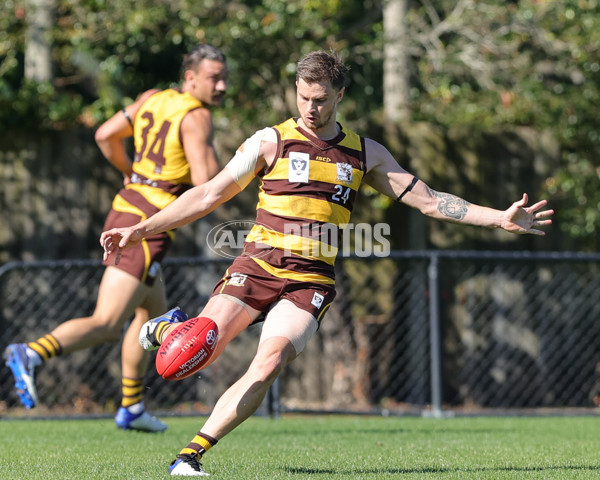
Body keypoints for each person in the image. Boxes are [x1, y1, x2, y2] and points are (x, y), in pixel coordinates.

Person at [100, 50, 553, 474]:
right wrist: (141, 229)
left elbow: (431, 202)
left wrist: (500, 218)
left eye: (320, 99)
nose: (310, 108)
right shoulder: (270, 141)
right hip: (257, 266)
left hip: (310, 280)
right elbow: (208, 193)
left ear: (339, 95)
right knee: (203, 351)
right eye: (302, 97)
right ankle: (167, 327)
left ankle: (189, 458)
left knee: (269, 361)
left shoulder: (364, 153)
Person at [3, 43, 227, 432]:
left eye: (224, 77)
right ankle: (31, 353)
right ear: (190, 77)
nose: (222, 85)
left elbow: (106, 134)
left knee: (150, 316)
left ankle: (132, 407)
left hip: (131, 206)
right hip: (145, 224)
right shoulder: (197, 116)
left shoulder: (151, 99)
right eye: (214, 78)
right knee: (107, 322)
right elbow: (206, 184)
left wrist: (130, 172)